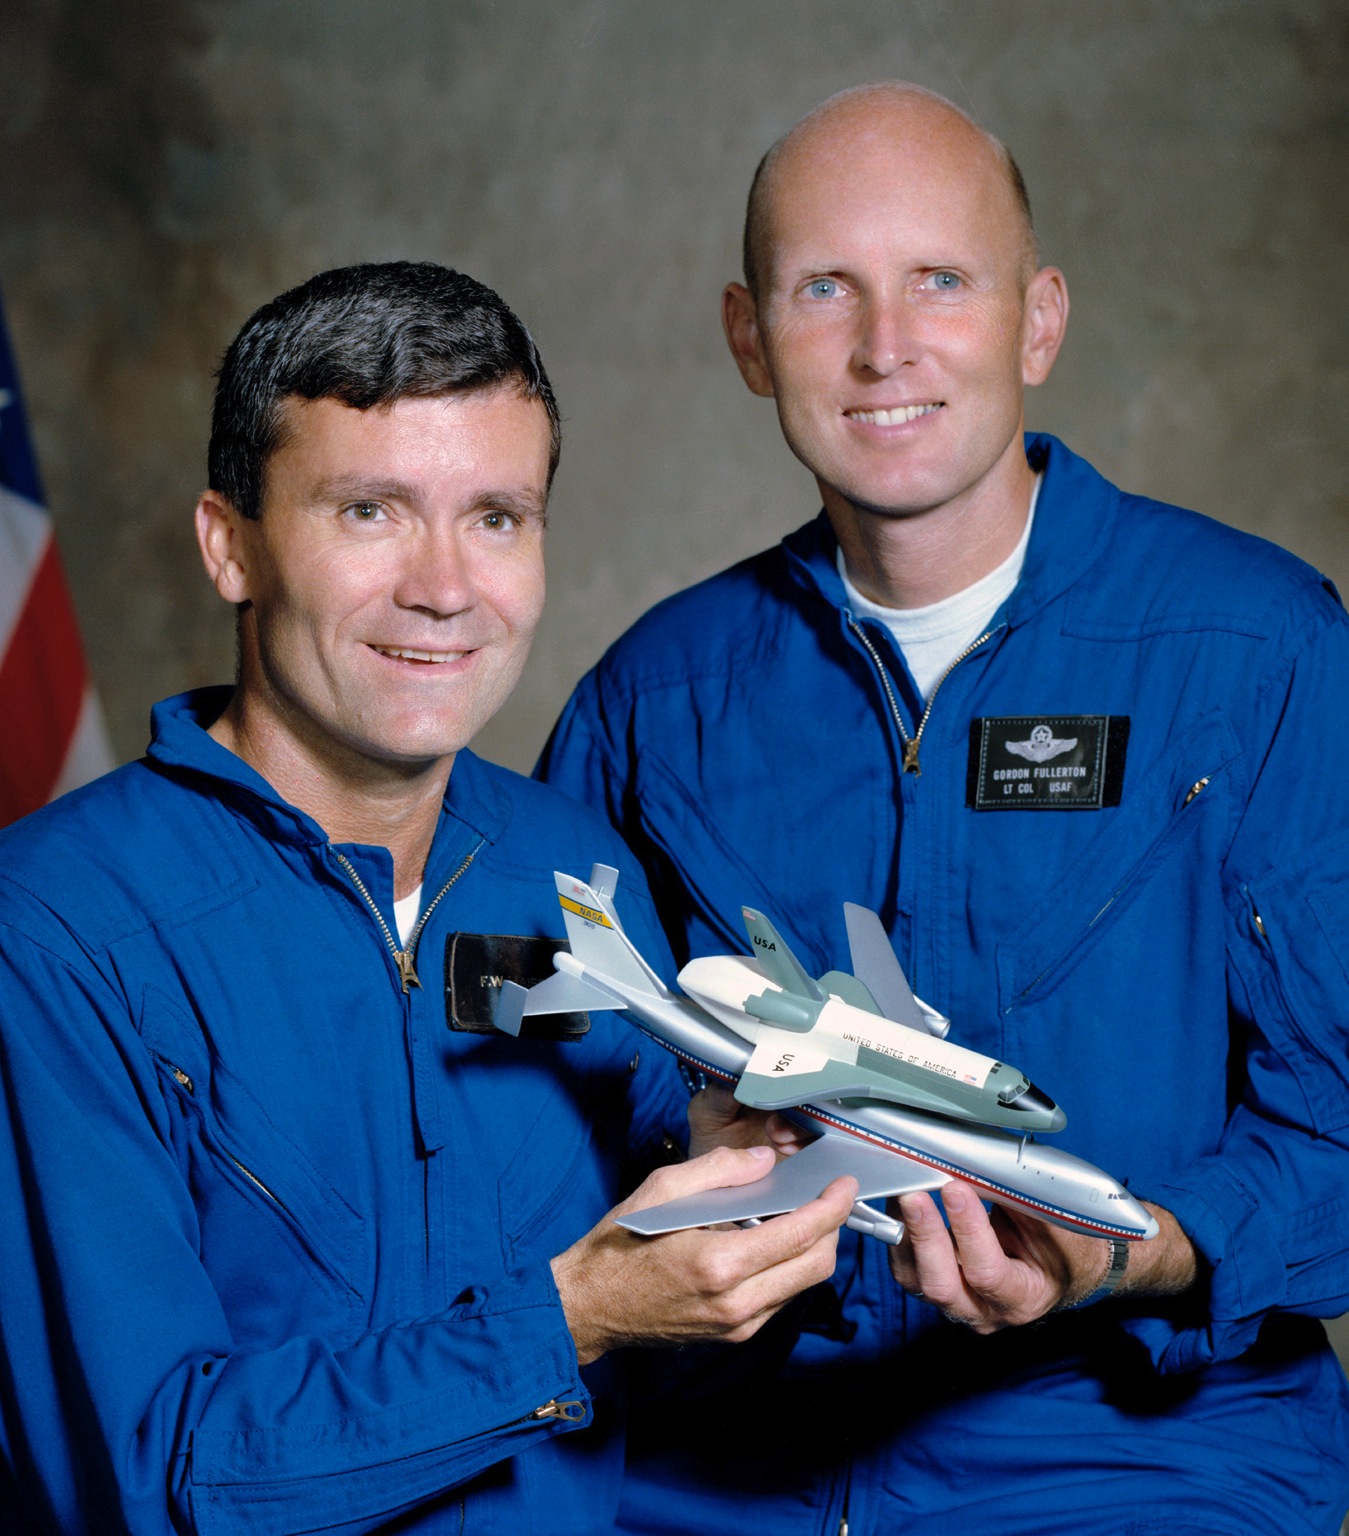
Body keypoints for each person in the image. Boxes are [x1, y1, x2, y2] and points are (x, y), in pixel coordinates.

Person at [538, 85, 1349, 1535]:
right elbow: (558, 1098)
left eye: (941, 282)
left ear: (1038, 322)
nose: (883, 346)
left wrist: (1144, 1250)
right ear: (747, 337)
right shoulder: (654, 697)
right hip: (730, 1459)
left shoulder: (1259, 651)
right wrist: (699, 1150)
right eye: (823, 289)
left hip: (1138, 1448)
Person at [0, 261, 856, 1535]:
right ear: (229, 545)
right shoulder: (58, 927)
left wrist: (744, 1204)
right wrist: (572, 1317)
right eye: (370, 512)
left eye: (496, 517)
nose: (445, 588)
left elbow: (659, 1380)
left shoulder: (575, 870)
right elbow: (145, 1476)